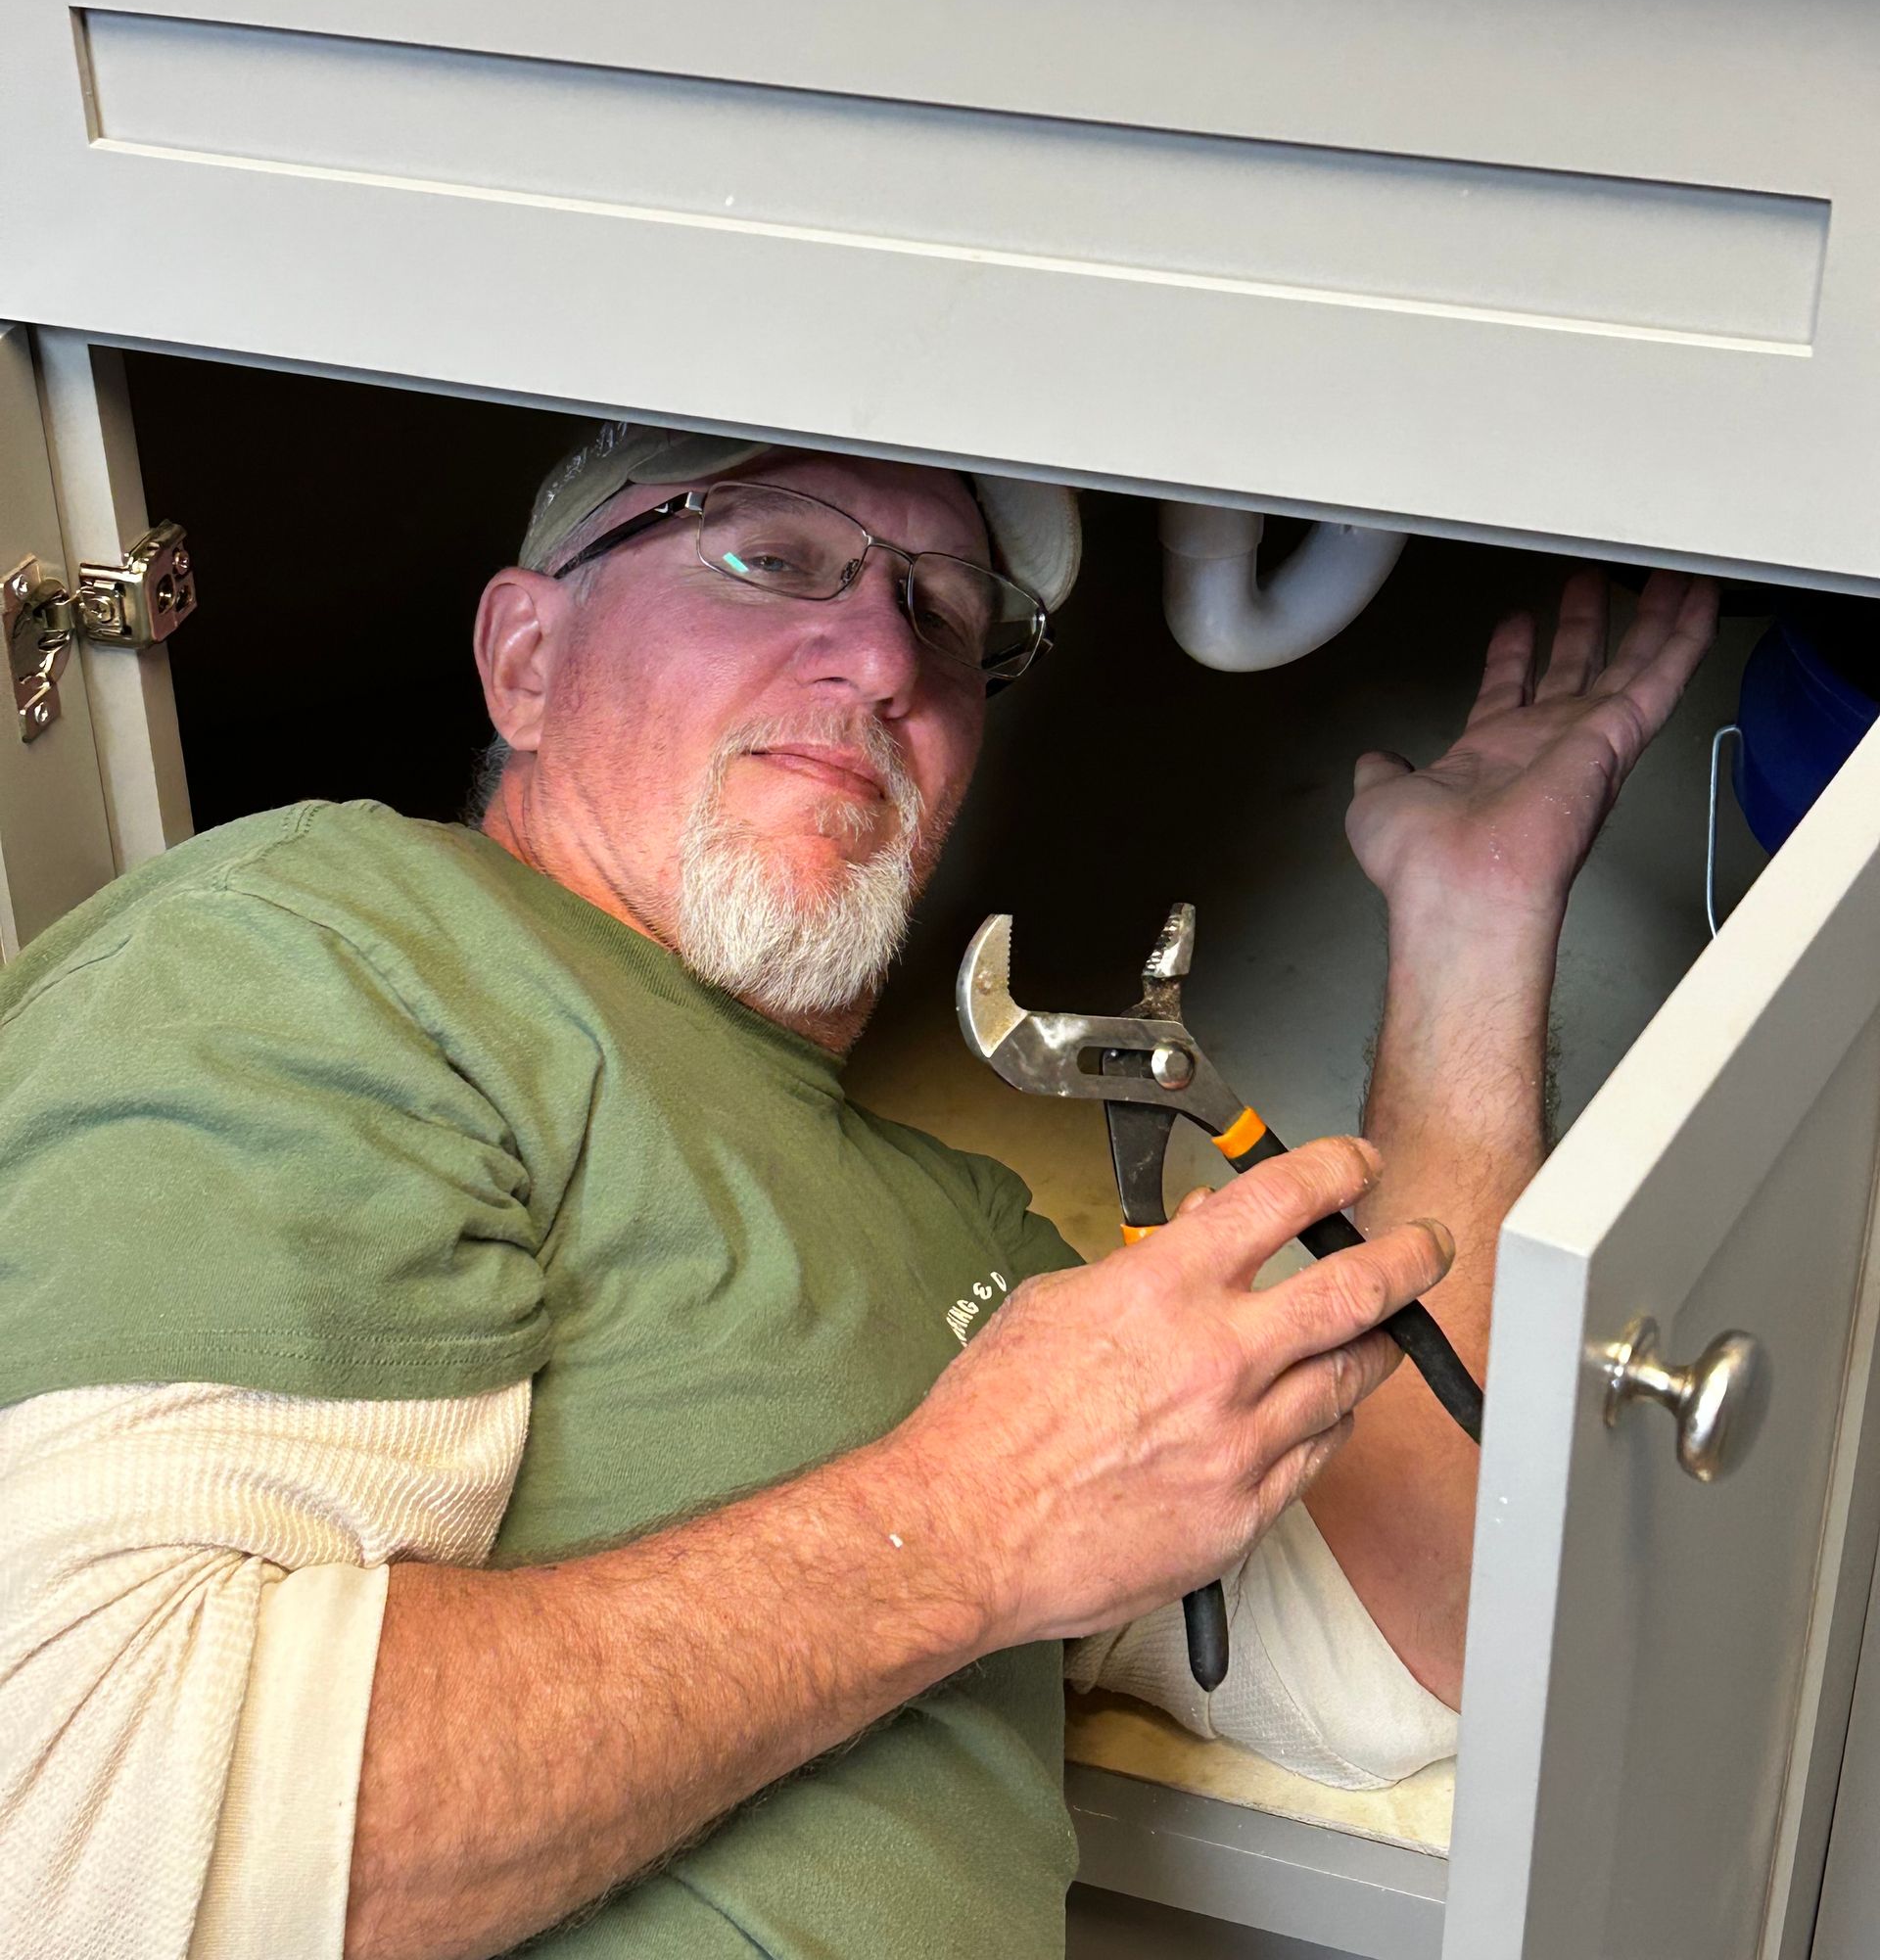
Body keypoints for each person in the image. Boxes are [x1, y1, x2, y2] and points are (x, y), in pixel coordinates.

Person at [0, 424, 1718, 1960]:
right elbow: (80, 1844)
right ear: (525, 658)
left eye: (950, 616)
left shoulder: (963, 1229)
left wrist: (1479, 913)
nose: (886, 650)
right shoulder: (330, 945)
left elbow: (1415, 1636)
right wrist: (966, 1524)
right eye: (774, 557)